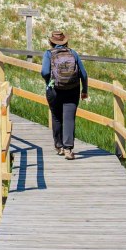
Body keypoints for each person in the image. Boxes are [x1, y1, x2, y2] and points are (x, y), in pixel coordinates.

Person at [40, 29, 90, 158]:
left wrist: (49, 82)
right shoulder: (73, 53)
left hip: (54, 90)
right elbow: (83, 74)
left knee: (56, 117)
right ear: (65, 41)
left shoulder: (48, 54)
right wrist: (84, 90)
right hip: (72, 90)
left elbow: (45, 72)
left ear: (51, 41)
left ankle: (59, 146)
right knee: (69, 118)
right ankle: (68, 149)